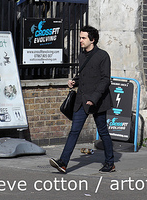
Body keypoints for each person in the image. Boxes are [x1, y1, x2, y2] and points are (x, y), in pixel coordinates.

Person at [49, 25, 115, 174]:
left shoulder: (103, 56)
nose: (80, 40)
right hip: (81, 100)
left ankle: (110, 163)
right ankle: (63, 163)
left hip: (97, 100)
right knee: (74, 131)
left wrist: (94, 98)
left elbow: (105, 80)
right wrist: (75, 81)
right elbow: (84, 77)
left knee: (103, 131)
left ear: (92, 40)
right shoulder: (82, 56)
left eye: (83, 38)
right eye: (80, 37)